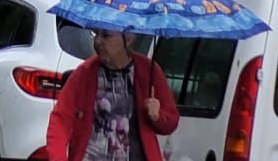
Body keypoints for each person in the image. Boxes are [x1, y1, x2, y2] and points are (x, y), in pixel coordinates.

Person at [47, 27, 180, 161]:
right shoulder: (84, 73)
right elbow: (60, 120)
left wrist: (157, 116)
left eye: (106, 35)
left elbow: (171, 123)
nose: (98, 41)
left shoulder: (149, 71)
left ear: (128, 40)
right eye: (96, 34)